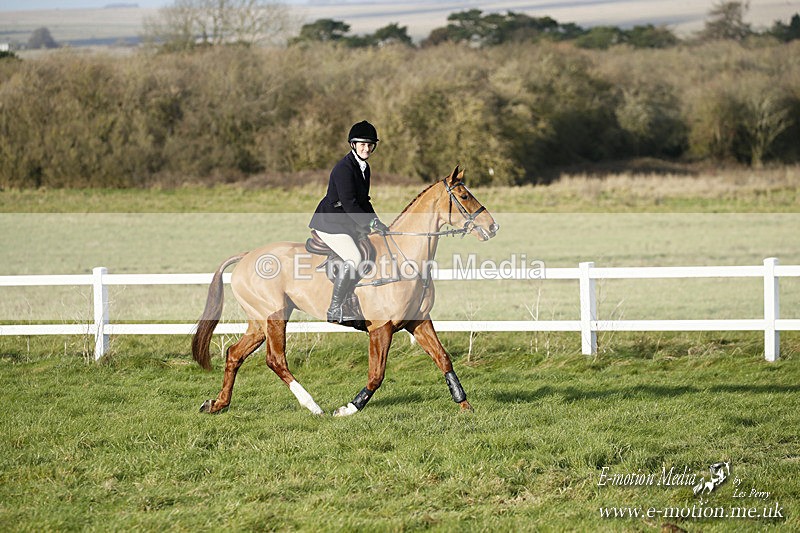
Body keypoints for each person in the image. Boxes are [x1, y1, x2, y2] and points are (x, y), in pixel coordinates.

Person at [309, 120, 390, 323]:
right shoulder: (344, 168)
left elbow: (364, 201)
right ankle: (335, 308)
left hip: (347, 222)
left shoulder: (364, 167)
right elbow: (349, 203)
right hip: (331, 223)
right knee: (354, 257)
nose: (367, 148)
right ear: (353, 145)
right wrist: (369, 224)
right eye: (362, 144)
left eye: (370, 144)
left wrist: (377, 222)